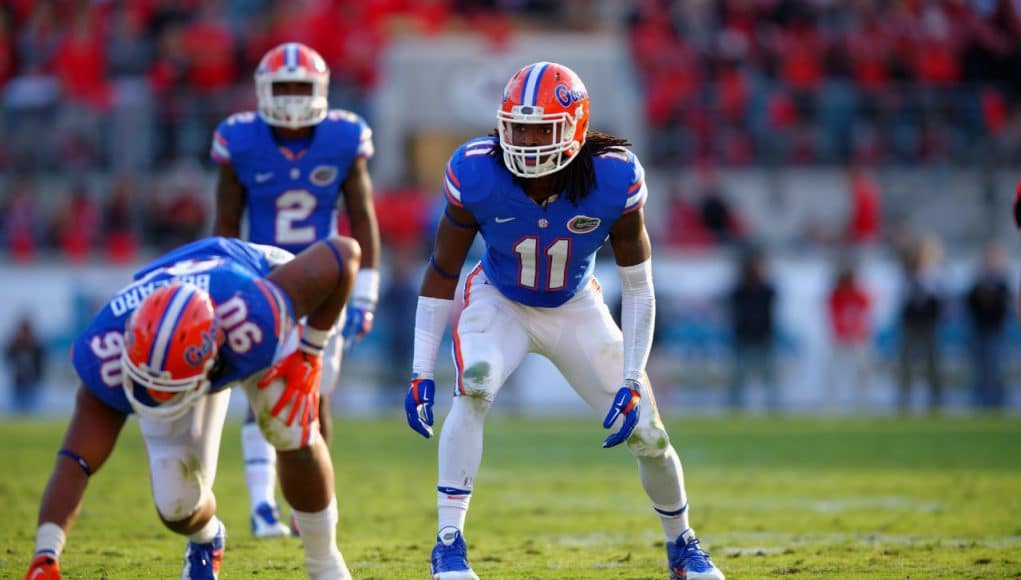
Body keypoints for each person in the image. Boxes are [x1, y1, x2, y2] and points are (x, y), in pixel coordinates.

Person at [403, 62, 724, 580]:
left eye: (541, 128)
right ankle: (448, 545)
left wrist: (630, 378)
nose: (527, 141)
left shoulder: (614, 176)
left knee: (650, 434)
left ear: (575, 127)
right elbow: (442, 269)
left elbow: (639, 286)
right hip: (499, 299)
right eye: (518, 126)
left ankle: (682, 545)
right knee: (475, 385)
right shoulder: (477, 170)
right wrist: (421, 369)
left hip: (576, 306)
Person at [24, 235, 361, 580]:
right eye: (145, 383)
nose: (153, 395)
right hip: (199, 321)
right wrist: (45, 555)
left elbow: (344, 253)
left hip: (256, 294)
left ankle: (324, 562)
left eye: (164, 388)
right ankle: (207, 539)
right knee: (175, 502)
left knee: (288, 422)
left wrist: (310, 350)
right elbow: (74, 461)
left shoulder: (255, 314)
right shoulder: (106, 349)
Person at [211, 41, 380, 538]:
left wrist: (364, 291)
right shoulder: (239, 140)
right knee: (262, 389)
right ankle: (263, 507)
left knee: (315, 397)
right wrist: (226, 291)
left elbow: (363, 218)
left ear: (321, 91)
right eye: (280, 88)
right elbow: (224, 226)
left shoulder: (344, 137)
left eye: (299, 87)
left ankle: (309, 506)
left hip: (326, 282)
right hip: (263, 278)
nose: (289, 98)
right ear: (262, 91)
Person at [727, 249, 779, 411]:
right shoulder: (739, 291)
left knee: (768, 379)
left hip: (763, 339)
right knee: (738, 380)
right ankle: (735, 410)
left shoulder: (767, 291)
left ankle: (773, 410)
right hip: (743, 340)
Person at [965, 241, 1010, 409]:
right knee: (979, 368)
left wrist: (990, 301)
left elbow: (1003, 307)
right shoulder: (978, 282)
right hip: (979, 329)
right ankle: (979, 402)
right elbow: (970, 303)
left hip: (995, 330)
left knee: (994, 367)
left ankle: (996, 402)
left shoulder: (1002, 283)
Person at [4, 315, 46, 414]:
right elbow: (8, 357)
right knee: (16, 411)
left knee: (33, 410)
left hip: (33, 381)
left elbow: (42, 359)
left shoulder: (36, 345)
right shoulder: (15, 345)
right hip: (18, 382)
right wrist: (16, 343)